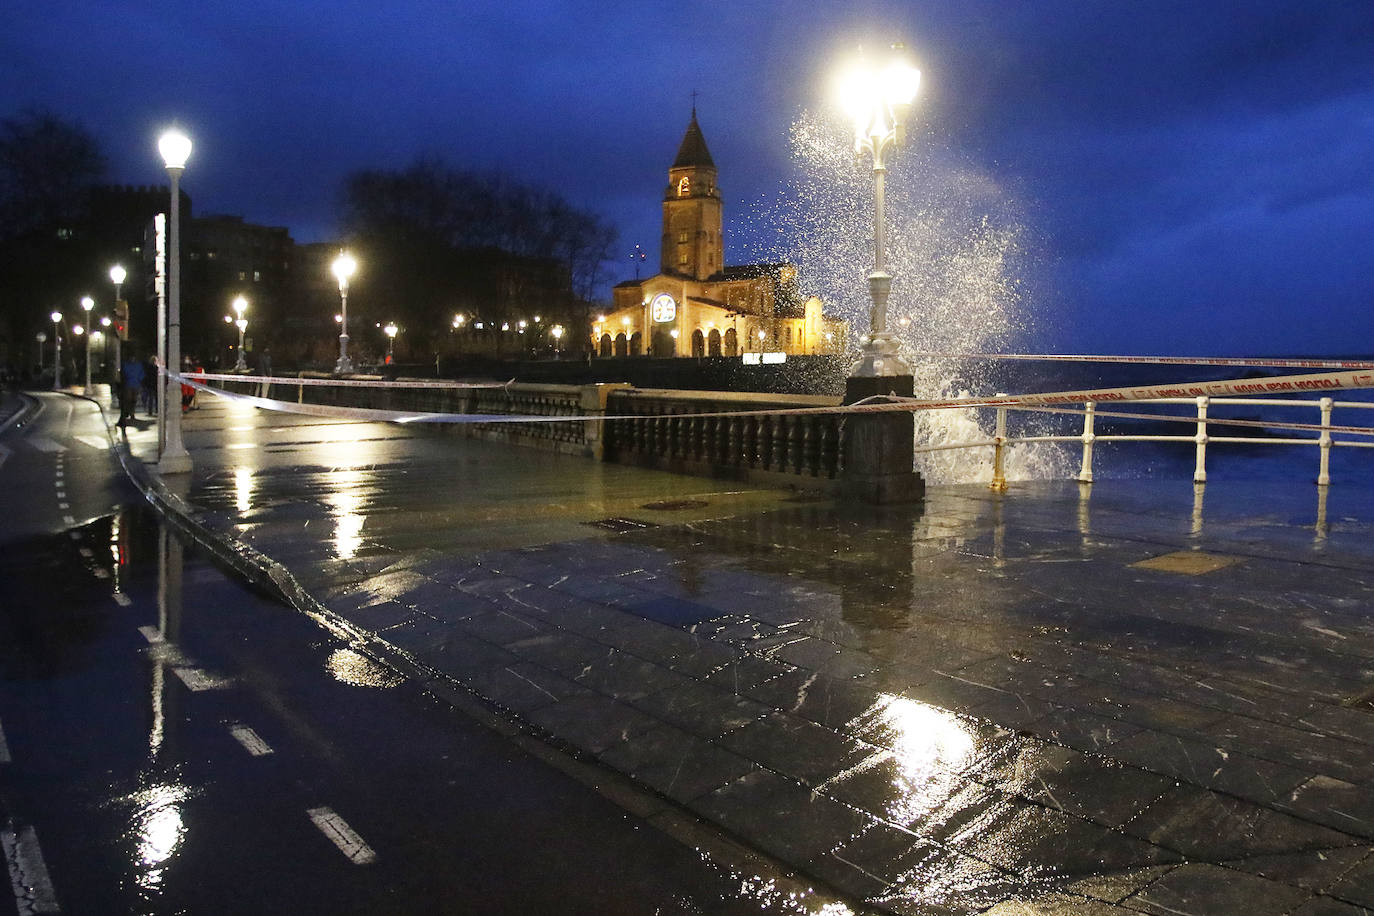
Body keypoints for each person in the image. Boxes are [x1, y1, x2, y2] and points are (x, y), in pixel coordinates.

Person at [119, 350, 144, 429]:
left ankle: (131, 412)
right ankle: (130, 412)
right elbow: (142, 374)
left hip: (132, 384)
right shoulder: (133, 365)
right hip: (131, 384)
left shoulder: (130, 365)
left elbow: (142, 374)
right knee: (130, 399)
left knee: (133, 399)